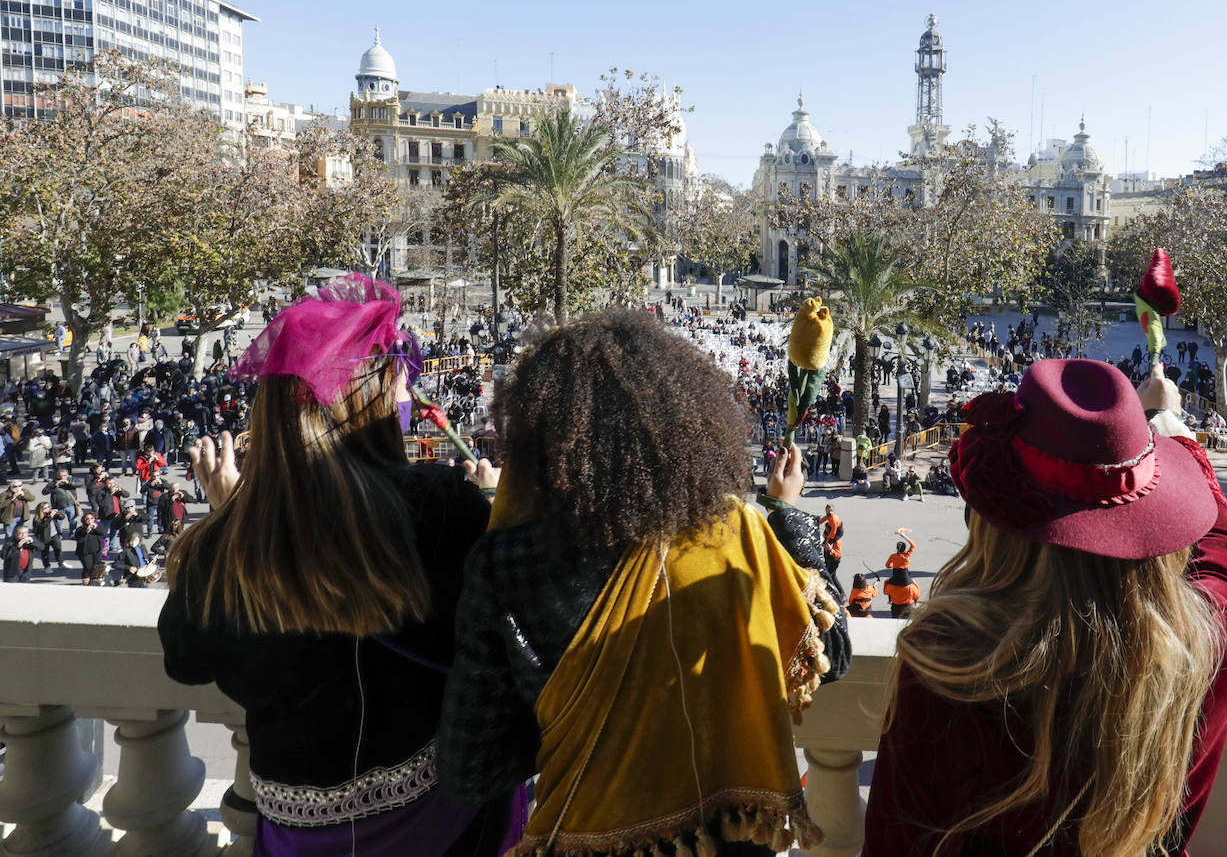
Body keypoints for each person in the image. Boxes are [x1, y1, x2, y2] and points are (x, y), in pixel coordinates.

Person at [436, 311, 850, 857]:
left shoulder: (509, 562)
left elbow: (472, 769)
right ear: (683, 421)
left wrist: (579, 738)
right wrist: (784, 513)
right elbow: (830, 651)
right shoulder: (737, 532)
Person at [158, 275, 516, 856]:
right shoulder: (439, 504)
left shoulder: (223, 546)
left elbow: (187, 659)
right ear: (373, 401)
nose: (408, 399)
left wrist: (230, 519)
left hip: (298, 834)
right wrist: (500, 513)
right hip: (440, 826)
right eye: (401, 384)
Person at [864, 361, 1227, 857]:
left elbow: (897, 844)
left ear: (994, 521)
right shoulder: (1216, 646)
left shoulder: (950, 667)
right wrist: (1167, 431)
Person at [73, 513, 107, 586]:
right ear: (84, 520)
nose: (90, 520)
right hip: (85, 552)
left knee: (97, 567)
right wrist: (86, 531)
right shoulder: (81, 529)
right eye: (87, 519)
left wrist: (96, 528)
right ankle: (86, 581)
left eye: (92, 518)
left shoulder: (98, 526)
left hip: (97, 550)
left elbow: (103, 533)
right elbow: (79, 539)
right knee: (88, 567)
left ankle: (96, 581)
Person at [31, 501, 64, 573]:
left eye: (48, 507)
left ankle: (60, 562)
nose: (48, 509)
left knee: (58, 549)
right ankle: (47, 566)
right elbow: (43, 526)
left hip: (54, 535)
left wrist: (58, 513)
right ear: (41, 510)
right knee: (45, 552)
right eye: (45, 508)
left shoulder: (50, 514)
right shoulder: (37, 518)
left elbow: (62, 517)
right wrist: (50, 518)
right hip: (44, 537)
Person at [820, 503, 844, 574]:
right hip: (831, 531)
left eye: (830, 510)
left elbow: (833, 533)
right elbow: (823, 519)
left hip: (837, 532)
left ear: (833, 511)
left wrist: (828, 541)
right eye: (827, 511)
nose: (829, 512)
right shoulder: (828, 516)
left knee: (827, 544)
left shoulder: (833, 519)